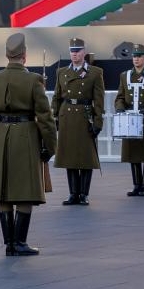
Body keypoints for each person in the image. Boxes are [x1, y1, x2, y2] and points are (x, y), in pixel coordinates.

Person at [0, 33, 57, 256]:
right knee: (25, 192)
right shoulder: (34, 80)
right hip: (26, 138)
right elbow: (46, 119)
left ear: (7, 55)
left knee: (3, 192)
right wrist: (49, 148)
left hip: (0, 137)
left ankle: (9, 244)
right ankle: (20, 242)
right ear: (24, 56)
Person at [51, 37, 105, 205]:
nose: (74, 54)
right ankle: (73, 193)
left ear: (84, 52)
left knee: (86, 157)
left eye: (78, 51)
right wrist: (55, 118)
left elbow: (99, 99)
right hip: (67, 116)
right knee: (70, 157)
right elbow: (57, 97)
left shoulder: (95, 72)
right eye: (72, 51)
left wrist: (97, 122)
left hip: (84, 117)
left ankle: (84, 194)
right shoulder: (62, 72)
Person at [114, 43, 144, 196]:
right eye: (134, 56)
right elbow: (120, 97)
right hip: (130, 121)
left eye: (139, 56)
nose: (136, 59)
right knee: (133, 153)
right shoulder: (125, 75)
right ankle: (137, 184)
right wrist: (120, 107)